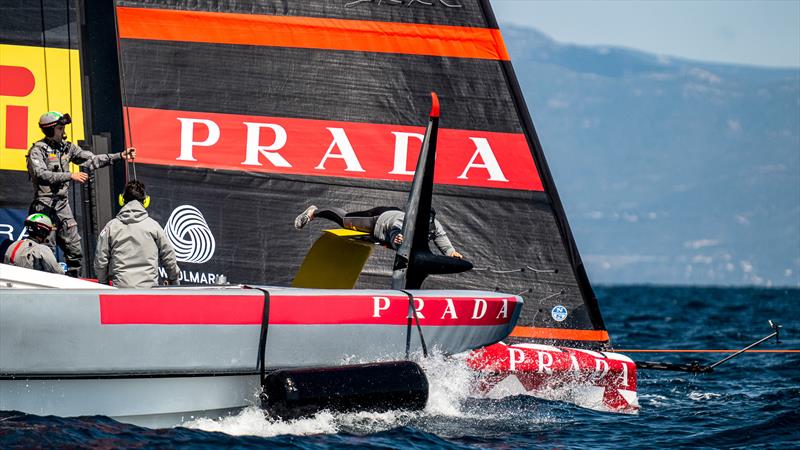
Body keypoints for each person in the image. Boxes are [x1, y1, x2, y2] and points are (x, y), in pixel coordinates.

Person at [27, 111, 136, 277]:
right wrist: (70, 175)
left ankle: (74, 283)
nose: (64, 132)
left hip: (63, 205)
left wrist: (120, 156)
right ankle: (45, 287)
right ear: (50, 130)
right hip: (44, 206)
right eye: (60, 128)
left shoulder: (67, 148)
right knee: (45, 249)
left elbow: (91, 160)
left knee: (75, 249)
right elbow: (40, 174)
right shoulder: (37, 151)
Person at [95, 180, 180, 288]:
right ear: (145, 201)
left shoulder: (111, 227)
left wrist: (103, 284)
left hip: (121, 292)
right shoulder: (154, 226)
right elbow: (169, 257)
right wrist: (174, 280)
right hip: (149, 291)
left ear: (122, 200)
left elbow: (100, 260)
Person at [294, 205, 463, 258]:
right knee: (345, 220)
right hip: (377, 219)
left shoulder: (434, 225)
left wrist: (451, 252)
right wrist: (396, 239)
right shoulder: (405, 222)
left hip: (389, 219)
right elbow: (395, 231)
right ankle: (314, 212)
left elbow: (441, 237)